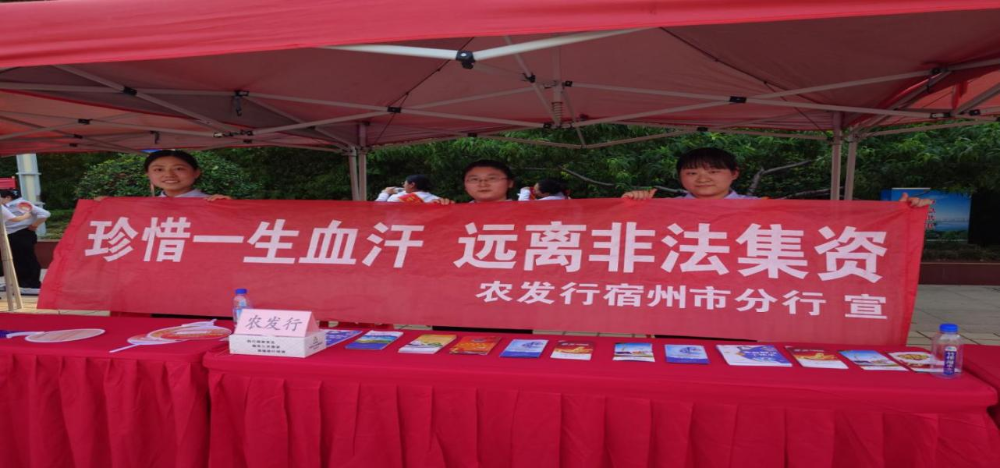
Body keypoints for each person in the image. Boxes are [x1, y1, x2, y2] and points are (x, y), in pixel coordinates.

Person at [622, 147, 933, 207]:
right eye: (692, 172)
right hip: (678, 299)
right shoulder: (664, 209)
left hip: (744, 300)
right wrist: (632, 205)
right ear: (680, 177)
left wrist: (902, 212)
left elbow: (829, 226)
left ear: (734, 174)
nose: (702, 178)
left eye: (713, 171)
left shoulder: (762, 208)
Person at [0, 190, 49, 295]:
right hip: (12, 235)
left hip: (22, 234)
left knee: (26, 260)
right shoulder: (5, 206)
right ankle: (20, 284)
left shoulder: (21, 204)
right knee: (18, 261)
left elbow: (44, 214)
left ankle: (31, 286)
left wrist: (34, 225)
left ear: (8, 198)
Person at [433, 159, 515, 204]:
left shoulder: (522, 212)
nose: (483, 184)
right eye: (474, 179)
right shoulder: (454, 212)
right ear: (465, 185)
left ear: (510, 183)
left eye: (492, 178)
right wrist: (436, 210)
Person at [375, 174, 440, 203]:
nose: (403, 185)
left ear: (412, 185)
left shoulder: (398, 199)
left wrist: (385, 193)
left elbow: (378, 207)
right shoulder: (437, 199)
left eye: (404, 183)